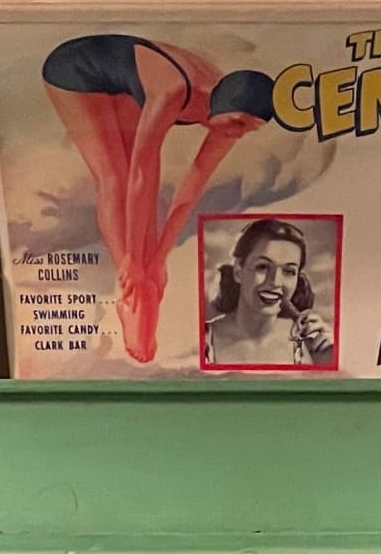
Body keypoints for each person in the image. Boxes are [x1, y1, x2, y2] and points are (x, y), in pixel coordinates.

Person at [41, 35, 277, 363]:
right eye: (238, 123)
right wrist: (131, 261)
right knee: (115, 178)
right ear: (221, 104)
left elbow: (191, 188)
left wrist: (160, 257)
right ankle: (128, 290)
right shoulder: (173, 93)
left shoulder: (231, 116)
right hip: (74, 69)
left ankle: (143, 295)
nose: (237, 133)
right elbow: (141, 175)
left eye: (249, 130)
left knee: (147, 222)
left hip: (124, 77)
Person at [202, 219, 334, 368]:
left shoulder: (309, 344)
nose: (276, 282)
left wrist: (329, 360)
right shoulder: (204, 340)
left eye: (289, 271)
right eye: (263, 267)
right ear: (238, 270)